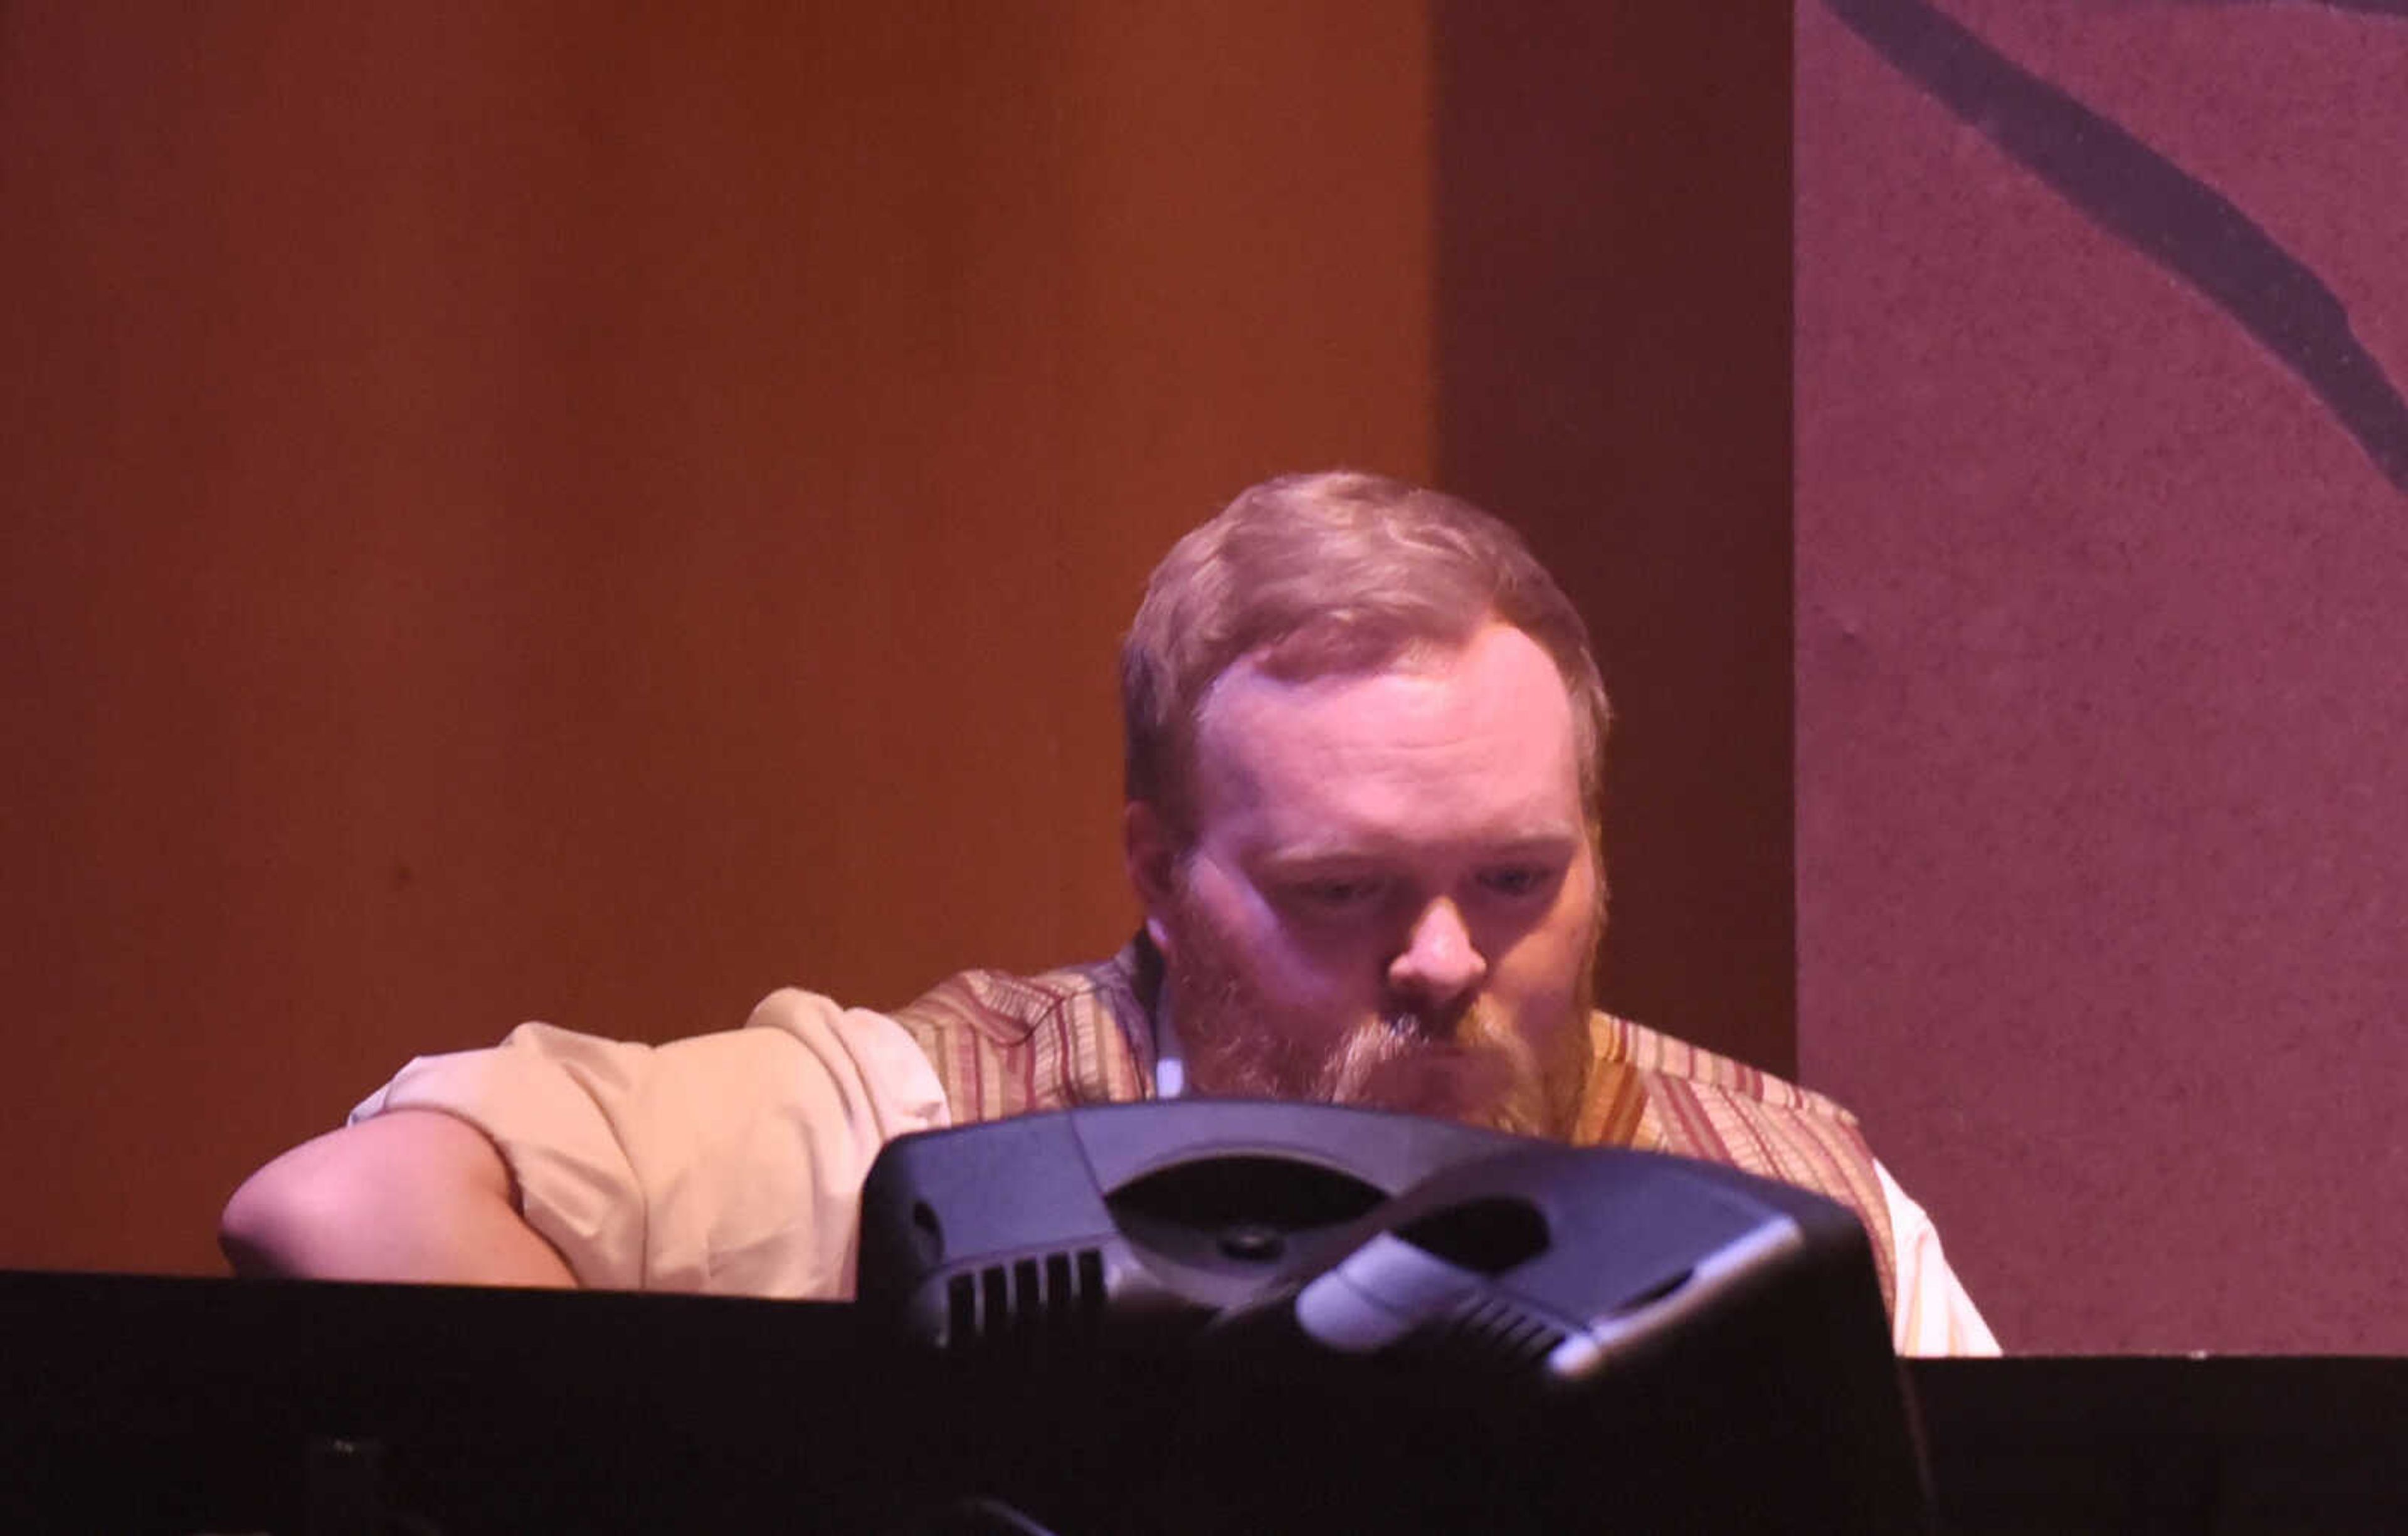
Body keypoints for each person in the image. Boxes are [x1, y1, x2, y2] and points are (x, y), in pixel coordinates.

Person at [221, 471, 1996, 1355]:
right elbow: (346, 1198)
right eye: (1345, 891)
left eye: (1517, 880)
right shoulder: (926, 1119)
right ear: (1157, 871)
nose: (1447, 960)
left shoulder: (1817, 1209)